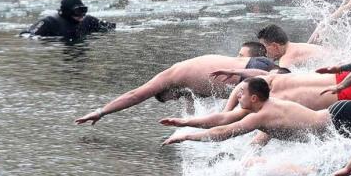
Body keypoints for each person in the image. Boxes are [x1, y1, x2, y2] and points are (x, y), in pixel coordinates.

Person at [73, 45, 282, 125]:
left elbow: (135, 95)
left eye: (171, 98)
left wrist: (101, 111)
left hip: (247, 75)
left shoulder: (171, 75)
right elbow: (191, 113)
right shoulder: (187, 83)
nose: (178, 98)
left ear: (167, 90)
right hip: (254, 66)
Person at [160, 78, 351, 147]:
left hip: (338, 117)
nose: (238, 97)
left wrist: (187, 136)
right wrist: (184, 122)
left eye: (241, 94)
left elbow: (224, 132)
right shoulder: (256, 109)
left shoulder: (261, 114)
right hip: (337, 129)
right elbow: (222, 118)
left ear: (254, 98)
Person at [215, 62, 351, 111]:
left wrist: (227, 110)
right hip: (342, 77)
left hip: (343, 93)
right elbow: (252, 77)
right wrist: (234, 70)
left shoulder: (273, 103)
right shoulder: (273, 78)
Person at [22, 0, 115, 39]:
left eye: (84, 10)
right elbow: (26, 34)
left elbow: (111, 27)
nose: (82, 15)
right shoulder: (49, 22)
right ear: (67, 11)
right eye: (78, 11)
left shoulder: (88, 20)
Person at [258, 24, 327, 67]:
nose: (264, 53)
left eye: (264, 48)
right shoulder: (299, 46)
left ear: (275, 46)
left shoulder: (286, 59)